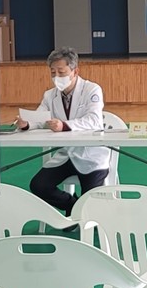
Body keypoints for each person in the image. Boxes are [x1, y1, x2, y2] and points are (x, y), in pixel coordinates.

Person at [16, 47, 110, 217]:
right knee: (39, 185)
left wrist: (64, 125)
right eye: (53, 73)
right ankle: (72, 206)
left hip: (91, 155)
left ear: (75, 71)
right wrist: (26, 123)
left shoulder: (92, 90)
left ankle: (82, 213)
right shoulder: (49, 95)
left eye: (61, 72)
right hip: (67, 154)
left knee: (90, 201)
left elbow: (94, 120)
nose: (57, 77)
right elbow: (40, 118)